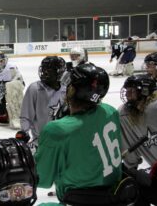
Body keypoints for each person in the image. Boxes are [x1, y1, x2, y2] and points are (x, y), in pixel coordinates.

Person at [35, 63, 128, 204]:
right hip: (116, 196)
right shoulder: (110, 111)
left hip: (78, 200)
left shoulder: (57, 130)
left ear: (72, 90)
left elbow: (41, 179)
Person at [119, 74, 157, 205]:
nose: (127, 95)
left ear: (144, 91)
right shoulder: (125, 114)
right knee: (132, 179)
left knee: (131, 182)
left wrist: (131, 168)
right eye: (127, 91)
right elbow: (130, 158)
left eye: (132, 91)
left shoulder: (156, 108)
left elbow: (131, 161)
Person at [20, 56, 66, 142]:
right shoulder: (34, 88)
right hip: (41, 141)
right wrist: (24, 132)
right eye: (44, 69)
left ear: (59, 72)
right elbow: (26, 115)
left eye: (49, 70)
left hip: (64, 140)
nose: (45, 72)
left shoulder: (66, 90)